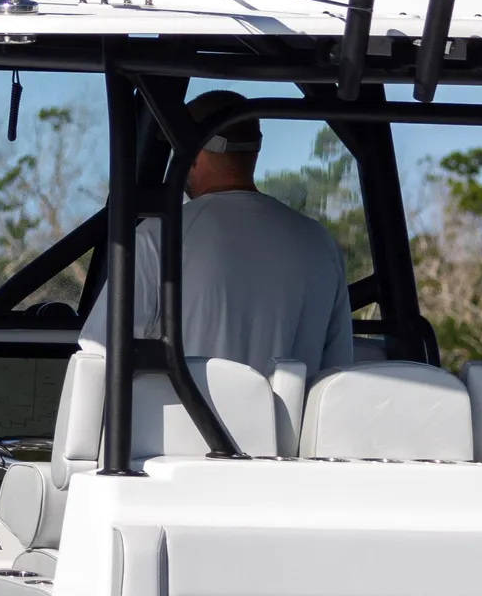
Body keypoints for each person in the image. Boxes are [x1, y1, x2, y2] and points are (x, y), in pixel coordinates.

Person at [82, 97, 355, 383]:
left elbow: (97, 359)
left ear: (195, 153)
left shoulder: (159, 236)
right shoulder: (320, 244)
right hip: (288, 428)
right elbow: (337, 377)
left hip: (180, 428)